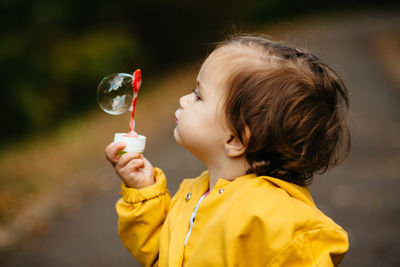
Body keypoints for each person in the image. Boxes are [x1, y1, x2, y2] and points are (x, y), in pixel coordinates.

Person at [105, 35, 351, 267]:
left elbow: (306, 250)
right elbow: (166, 255)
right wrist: (144, 191)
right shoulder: (196, 193)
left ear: (234, 139)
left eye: (198, 96)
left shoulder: (271, 217)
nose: (183, 100)